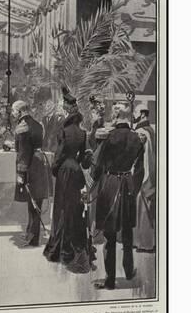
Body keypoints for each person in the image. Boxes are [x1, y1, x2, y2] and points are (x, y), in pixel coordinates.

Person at [92, 103, 144, 289]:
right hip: (128, 185)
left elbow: (97, 166)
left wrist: (95, 179)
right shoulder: (137, 138)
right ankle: (129, 272)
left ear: (116, 116)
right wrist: (134, 187)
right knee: (128, 232)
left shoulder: (109, 137)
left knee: (110, 235)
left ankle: (110, 280)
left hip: (111, 185)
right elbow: (140, 169)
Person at [43, 89, 92, 269]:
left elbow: (60, 154)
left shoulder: (64, 131)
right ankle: (73, 248)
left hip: (64, 172)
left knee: (61, 209)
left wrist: (55, 169)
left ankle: (59, 250)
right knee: (74, 209)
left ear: (67, 110)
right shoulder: (82, 132)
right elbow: (85, 158)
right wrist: (77, 164)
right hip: (76, 171)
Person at [9, 100, 50, 246]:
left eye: (14, 111)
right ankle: (31, 233)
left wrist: (20, 173)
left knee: (32, 201)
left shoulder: (22, 127)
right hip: (40, 163)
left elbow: (23, 152)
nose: (12, 113)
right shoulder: (38, 124)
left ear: (20, 111)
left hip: (30, 166)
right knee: (35, 200)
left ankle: (33, 238)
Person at [133, 103, 156, 252]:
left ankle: (145, 243)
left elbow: (147, 157)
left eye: (135, 113)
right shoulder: (151, 130)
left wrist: (145, 178)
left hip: (144, 174)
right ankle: (144, 242)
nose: (134, 115)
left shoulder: (142, 131)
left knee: (142, 208)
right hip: (148, 173)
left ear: (142, 114)